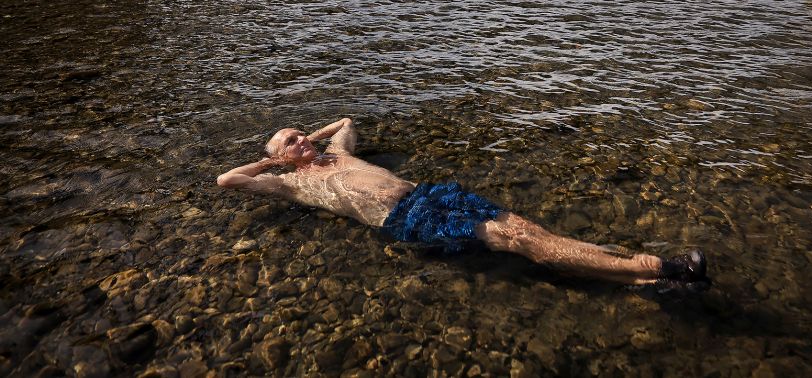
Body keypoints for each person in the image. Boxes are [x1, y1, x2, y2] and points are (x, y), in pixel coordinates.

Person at [218, 119, 711, 290]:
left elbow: (345, 119)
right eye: (290, 139)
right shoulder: (294, 186)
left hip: (434, 195)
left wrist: (311, 139)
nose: (301, 139)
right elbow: (227, 180)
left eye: (300, 133)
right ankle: (657, 268)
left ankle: (640, 274)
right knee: (521, 243)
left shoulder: (337, 154)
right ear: (280, 157)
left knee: (532, 231)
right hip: (407, 219)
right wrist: (274, 164)